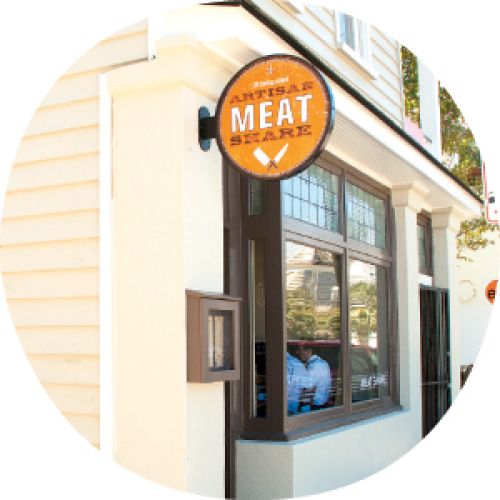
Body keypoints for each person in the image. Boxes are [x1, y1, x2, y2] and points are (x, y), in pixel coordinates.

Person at [296, 345, 332, 410]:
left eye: (300, 350)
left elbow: (307, 388)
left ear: (309, 351)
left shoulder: (314, 366)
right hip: (319, 404)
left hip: (314, 406)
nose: (297, 352)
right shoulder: (321, 362)